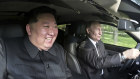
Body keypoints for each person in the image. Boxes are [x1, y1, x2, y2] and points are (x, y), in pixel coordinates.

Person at [0, 6, 72, 79]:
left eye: (55, 26)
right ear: (29, 29)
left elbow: (68, 76)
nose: (52, 33)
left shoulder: (59, 49)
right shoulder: (5, 50)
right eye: (46, 26)